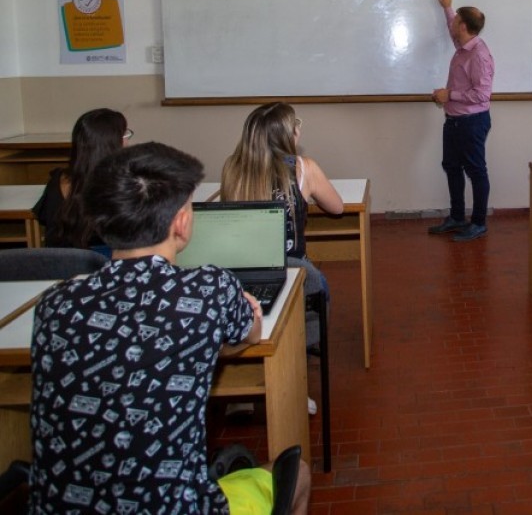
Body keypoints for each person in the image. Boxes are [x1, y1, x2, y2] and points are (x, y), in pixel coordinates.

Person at [29, 141, 311, 515]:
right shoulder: (209, 290)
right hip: (176, 507)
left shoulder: (53, 305)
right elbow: (252, 334)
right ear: (181, 221)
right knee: (299, 475)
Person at [221, 102, 343, 351]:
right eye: (295, 125)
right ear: (288, 135)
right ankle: (307, 345)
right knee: (320, 284)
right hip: (293, 268)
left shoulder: (232, 168)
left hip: (242, 270)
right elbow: (337, 207)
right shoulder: (302, 167)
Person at [427, 0, 495, 242]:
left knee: (476, 171)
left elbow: (482, 95)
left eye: (456, 21)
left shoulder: (478, 55)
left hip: (472, 122)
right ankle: (457, 217)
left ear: (463, 26)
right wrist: (448, 9)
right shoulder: (464, 45)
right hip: (455, 121)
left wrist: (449, 95)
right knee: (452, 167)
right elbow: (452, 29)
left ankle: (478, 223)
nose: (452, 23)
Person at [33, 107, 131, 252]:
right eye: (125, 135)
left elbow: (47, 224)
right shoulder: (124, 185)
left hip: (60, 267)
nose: (128, 142)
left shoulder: (57, 181)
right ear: (113, 144)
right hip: (107, 268)